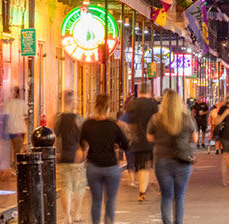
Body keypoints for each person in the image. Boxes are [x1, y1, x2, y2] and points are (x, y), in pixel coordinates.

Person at [147, 90, 196, 224]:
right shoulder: (186, 118)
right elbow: (194, 137)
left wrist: (160, 138)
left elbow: (150, 137)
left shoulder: (156, 118)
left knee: (166, 196)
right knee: (179, 196)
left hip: (162, 160)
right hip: (182, 160)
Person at [79, 93, 129, 224]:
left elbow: (82, 143)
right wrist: (116, 145)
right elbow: (126, 144)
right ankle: (109, 222)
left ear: (95, 106)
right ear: (108, 107)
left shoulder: (87, 124)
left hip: (93, 166)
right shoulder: (113, 126)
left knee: (96, 200)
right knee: (110, 201)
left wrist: (87, 149)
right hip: (111, 167)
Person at [55, 90, 86, 224]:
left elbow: (55, 137)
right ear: (72, 102)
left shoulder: (59, 118)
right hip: (77, 157)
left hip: (64, 157)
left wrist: (57, 152)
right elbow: (85, 138)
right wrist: (84, 151)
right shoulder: (79, 118)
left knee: (65, 187)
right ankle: (77, 213)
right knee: (79, 186)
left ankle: (67, 216)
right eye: (75, 100)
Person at [128, 83, 158, 202]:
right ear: (150, 91)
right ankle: (160, 188)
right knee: (152, 164)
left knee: (141, 166)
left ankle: (142, 191)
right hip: (152, 139)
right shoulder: (153, 105)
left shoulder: (132, 104)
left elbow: (129, 122)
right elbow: (157, 121)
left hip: (137, 140)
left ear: (138, 91)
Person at [2, 86, 28, 166]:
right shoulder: (23, 103)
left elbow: (5, 117)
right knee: (18, 150)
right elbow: (27, 115)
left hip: (11, 130)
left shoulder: (8, 104)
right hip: (19, 130)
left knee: (12, 149)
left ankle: (12, 165)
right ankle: (17, 167)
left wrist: (4, 129)